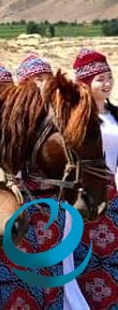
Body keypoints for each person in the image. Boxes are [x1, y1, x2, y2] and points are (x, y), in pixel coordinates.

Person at [72, 47, 118, 309]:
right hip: (86, 195)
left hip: (114, 194)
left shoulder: (116, 115)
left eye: (109, 76)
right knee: (88, 256)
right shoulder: (78, 119)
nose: (107, 83)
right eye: (100, 79)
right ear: (85, 83)